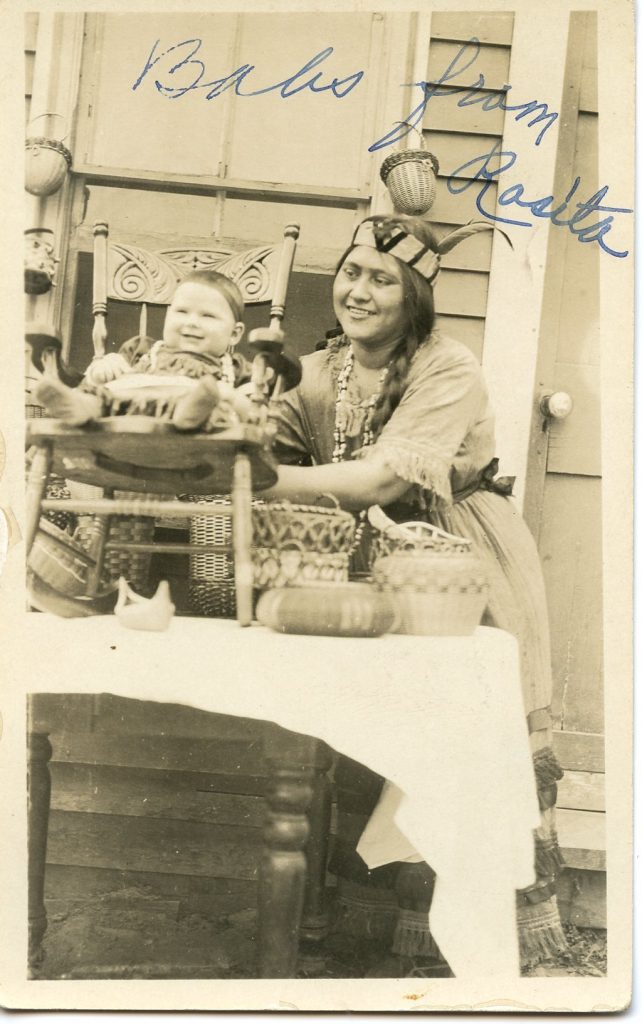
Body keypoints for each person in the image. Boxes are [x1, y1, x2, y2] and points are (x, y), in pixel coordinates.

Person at [264, 213, 567, 976]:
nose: (358, 291)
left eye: (381, 280)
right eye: (351, 272)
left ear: (416, 299)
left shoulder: (449, 367)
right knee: (358, 735)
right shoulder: (312, 369)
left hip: (459, 562)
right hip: (355, 560)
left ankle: (449, 949)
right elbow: (262, 439)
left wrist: (260, 477)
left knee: (456, 740)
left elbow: (384, 481)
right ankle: (353, 936)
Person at [33, 270, 256, 430]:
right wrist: (101, 369)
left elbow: (255, 413)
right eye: (182, 312)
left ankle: (191, 416)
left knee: (213, 407)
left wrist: (232, 396)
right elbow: (105, 378)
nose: (192, 322)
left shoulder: (237, 367)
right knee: (101, 397)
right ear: (168, 315)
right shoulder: (143, 348)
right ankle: (79, 409)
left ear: (235, 333)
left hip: (196, 435)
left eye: (208, 316)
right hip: (129, 419)